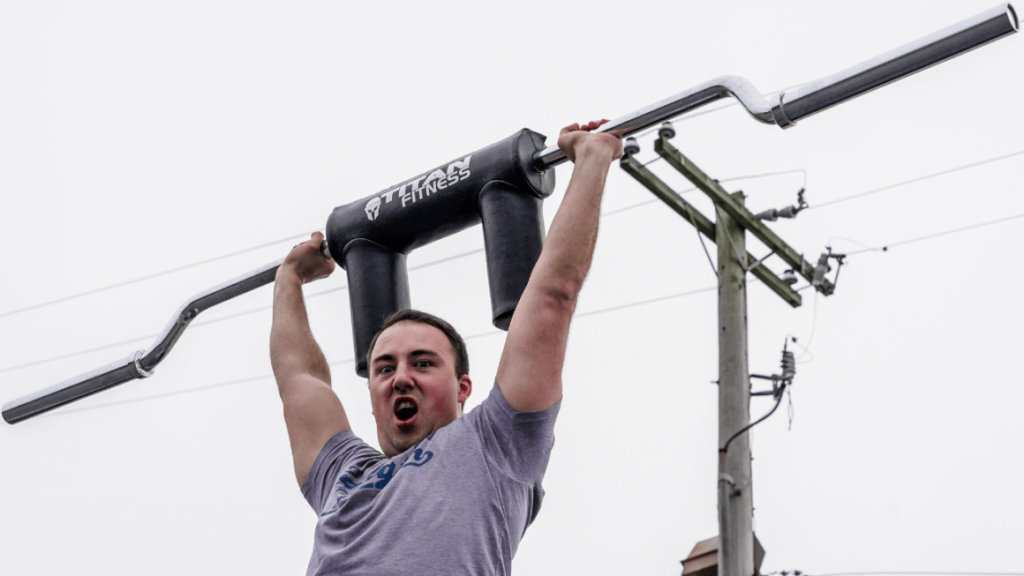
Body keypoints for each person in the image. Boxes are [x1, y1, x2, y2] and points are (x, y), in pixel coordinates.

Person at [270, 120, 623, 575]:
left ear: (462, 387)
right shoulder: (341, 474)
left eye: (422, 362)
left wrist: (592, 158)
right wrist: (288, 280)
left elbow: (553, 296)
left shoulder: (497, 443)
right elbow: (299, 378)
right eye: (384, 367)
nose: (400, 376)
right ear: (373, 399)